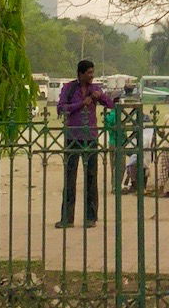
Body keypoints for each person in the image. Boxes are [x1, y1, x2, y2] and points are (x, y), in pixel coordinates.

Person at [54, 60, 117, 228]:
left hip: (90, 137)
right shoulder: (69, 88)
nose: (91, 75)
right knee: (70, 178)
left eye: (92, 72)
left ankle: (91, 217)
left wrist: (101, 96)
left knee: (91, 177)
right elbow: (61, 109)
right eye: (88, 73)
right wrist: (81, 104)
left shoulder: (95, 88)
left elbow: (110, 104)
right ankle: (67, 218)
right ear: (80, 74)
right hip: (73, 136)